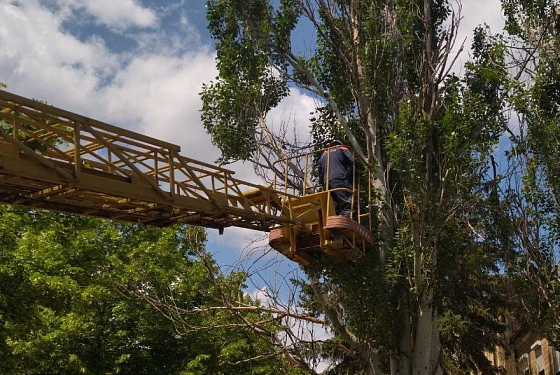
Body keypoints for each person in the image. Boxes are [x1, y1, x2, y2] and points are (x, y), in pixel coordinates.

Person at [318, 140, 354, 217]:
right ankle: (345, 219)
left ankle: (333, 219)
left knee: (333, 205)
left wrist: (323, 182)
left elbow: (320, 171)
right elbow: (352, 161)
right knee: (346, 202)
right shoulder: (342, 148)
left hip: (326, 182)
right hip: (339, 178)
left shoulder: (324, 154)